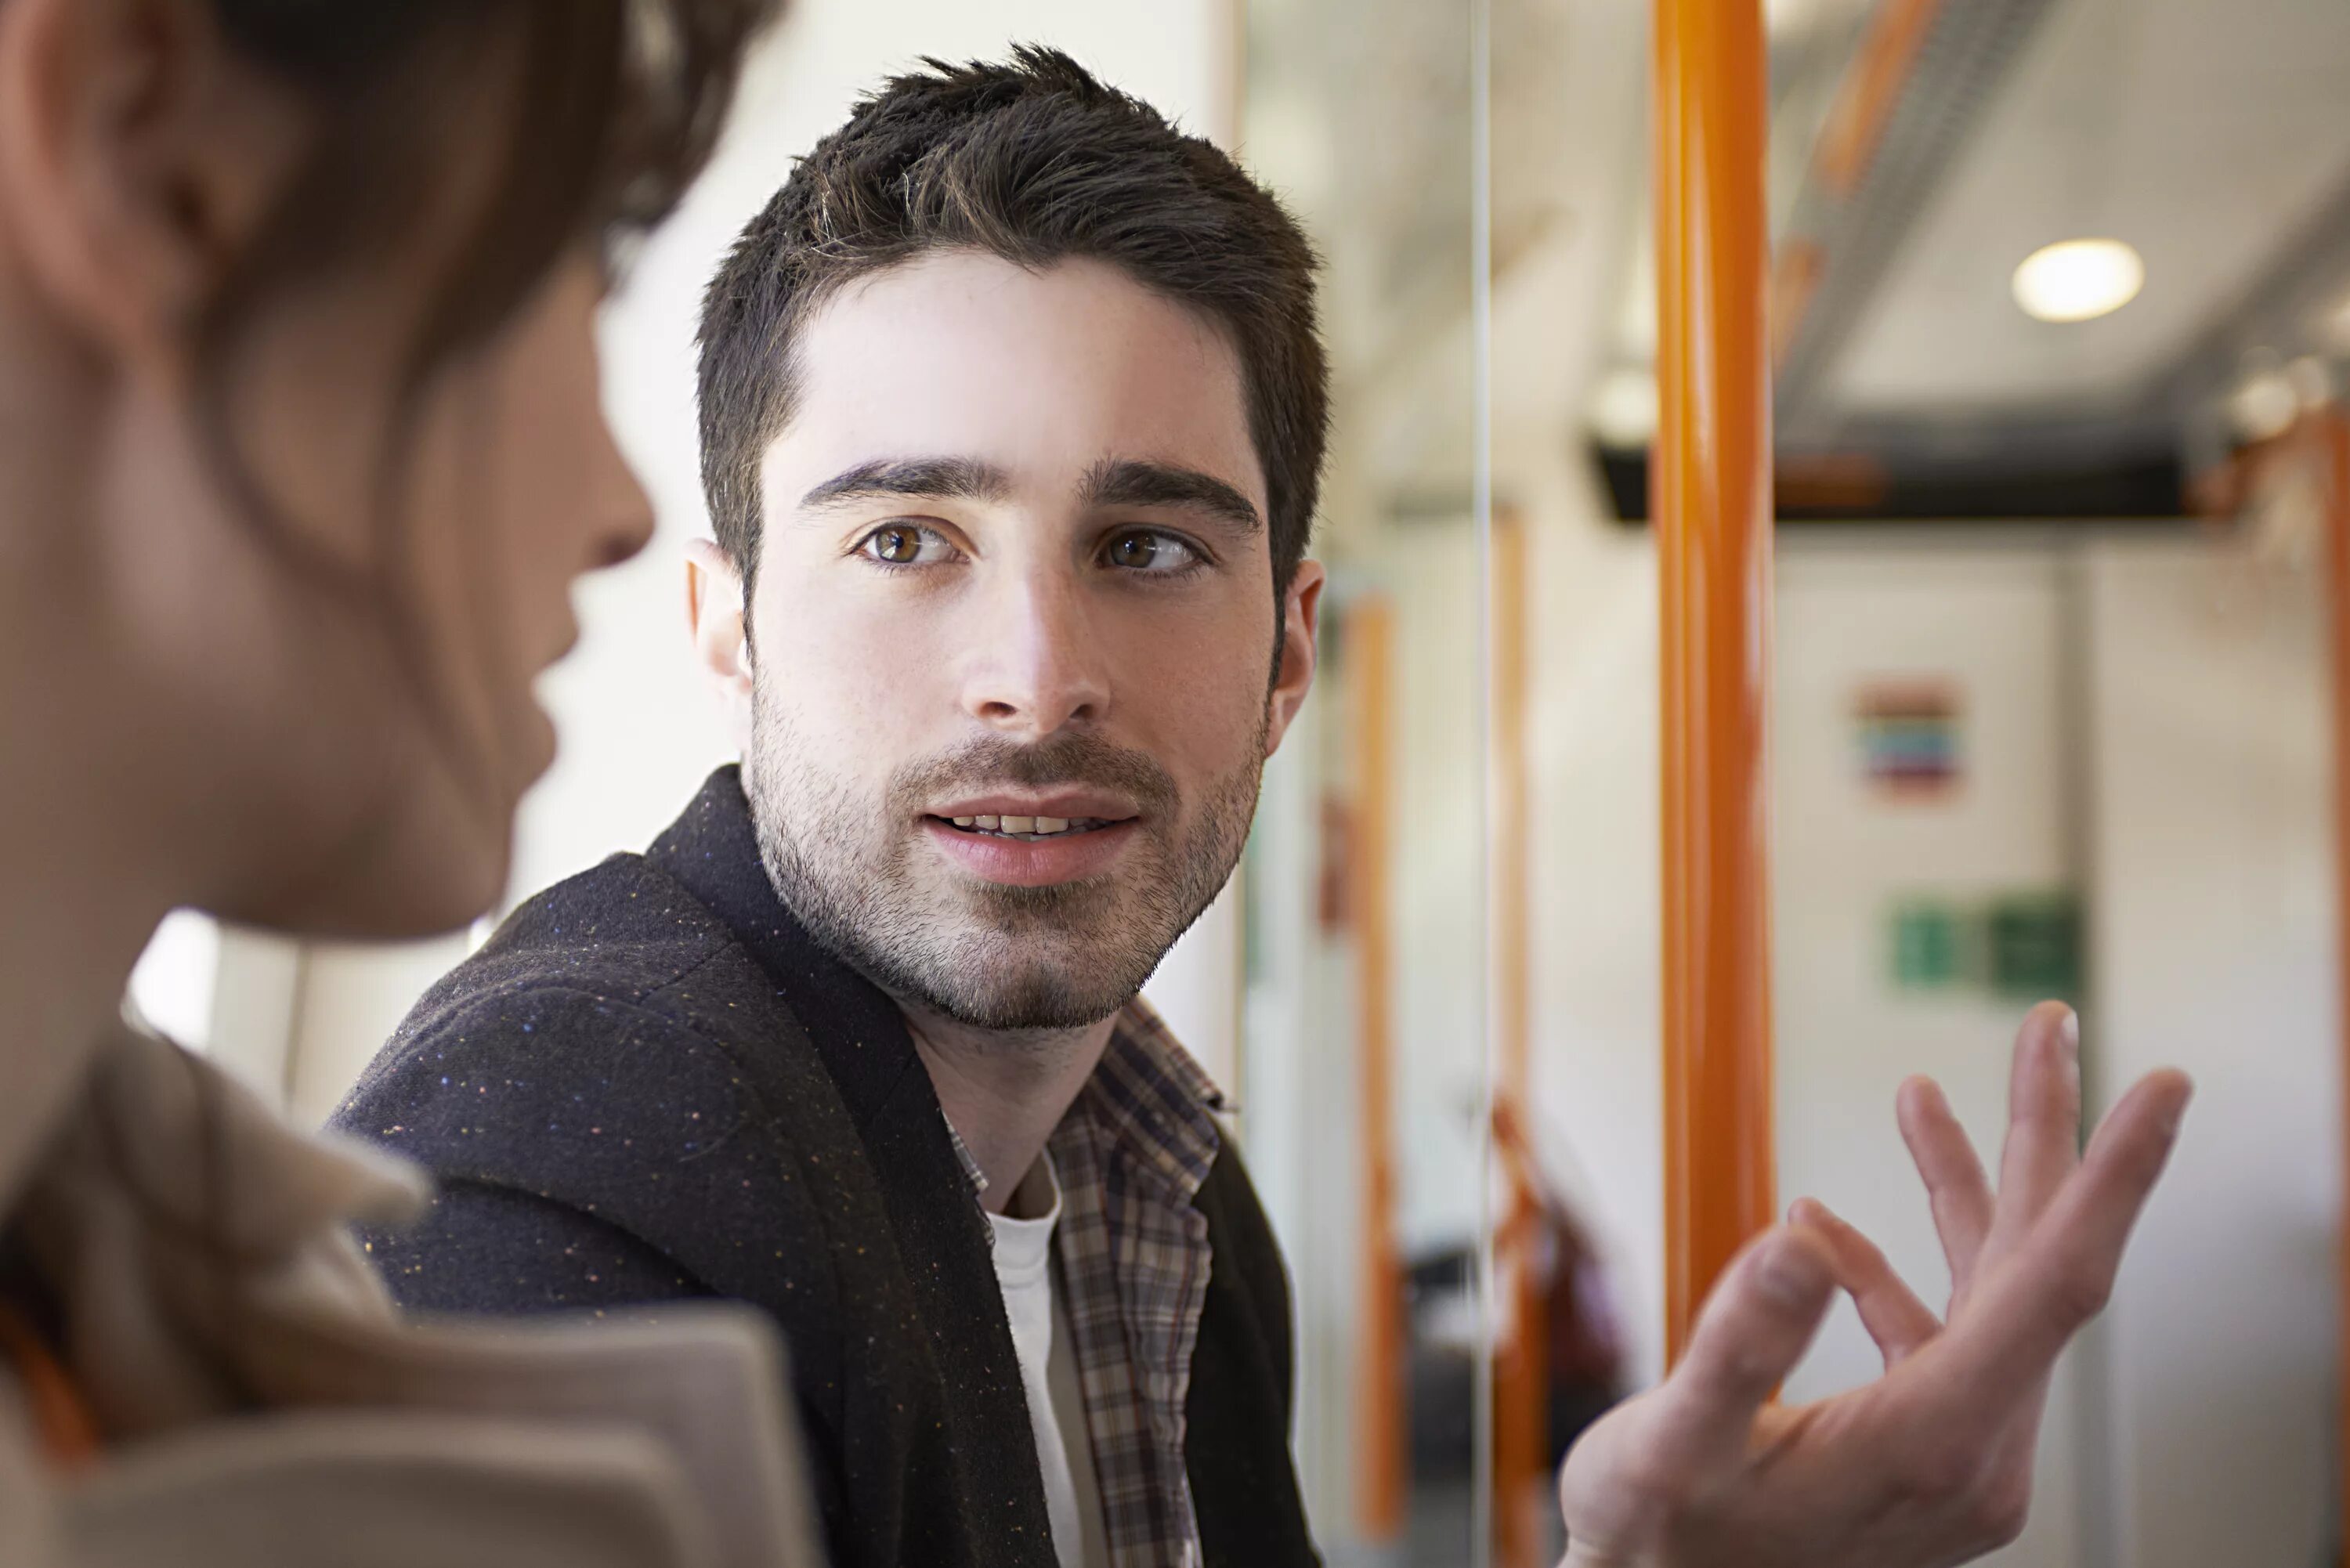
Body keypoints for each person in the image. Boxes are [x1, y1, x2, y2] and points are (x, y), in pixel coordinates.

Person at [333, 47, 2196, 1568]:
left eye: (1146, 545)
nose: (1038, 672)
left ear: (1291, 649)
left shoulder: (1173, 1185)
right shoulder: (562, 1164)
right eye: (908, 539)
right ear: (728, 623)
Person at [0, 2, 826, 1564]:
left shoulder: (148, 1302)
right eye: (588, 248)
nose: (624, 505)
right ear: (158, 158)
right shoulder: (566, 1103)